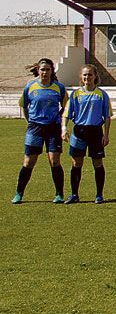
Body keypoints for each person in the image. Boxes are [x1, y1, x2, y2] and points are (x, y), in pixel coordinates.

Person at [13, 58, 67, 204]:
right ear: (38, 70)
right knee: (29, 161)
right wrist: (29, 121)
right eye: (42, 69)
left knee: (54, 161)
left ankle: (59, 194)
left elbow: (65, 107)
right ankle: (19, 193)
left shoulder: (59, 88)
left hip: (53, 128)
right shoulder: (30, 86)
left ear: (52, 71)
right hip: (35, 128)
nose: (45, 72)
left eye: (48, 69)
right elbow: (24, 105)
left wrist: (61, 122)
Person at [61, 64, 111, 204]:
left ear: (95, 76)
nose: (87, 77)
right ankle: (74, 194)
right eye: (84, 75)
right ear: (81, 77)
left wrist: (106, 135)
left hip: (95, 132)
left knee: (97, 163)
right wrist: (64, 129)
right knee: (77, 163)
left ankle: (99, 195)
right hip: (79, 132)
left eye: (90, 74)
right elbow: (66, 114)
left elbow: (107, 116)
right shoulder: (76, 94)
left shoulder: (101, 94)